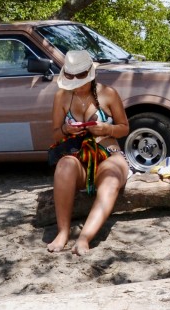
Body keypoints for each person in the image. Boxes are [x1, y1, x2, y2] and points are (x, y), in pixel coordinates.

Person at [46, 51, 131, 255]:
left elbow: (125, 127)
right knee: (64, 165)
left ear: (90, 75)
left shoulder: (108, 93)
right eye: (72, 79)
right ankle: (63, 232)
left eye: (81, 79)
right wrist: (67, 130)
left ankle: (85, 238)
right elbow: (56, 135)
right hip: (79, 158)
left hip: (108, 155)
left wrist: (107, 129)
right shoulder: (61, 97)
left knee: (110, 178)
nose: (77, 84)